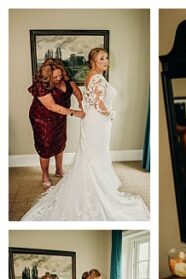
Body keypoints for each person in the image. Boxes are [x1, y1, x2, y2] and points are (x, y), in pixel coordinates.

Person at [21, 48, 149, 221]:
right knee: (47, 146)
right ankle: (50, 175)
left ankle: (62, 171)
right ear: (93, 61)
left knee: (67, 145)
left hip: (77, 118)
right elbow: (94, 103)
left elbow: (79, 92)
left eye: (107, 58)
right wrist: (108, 113)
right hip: (45, 116)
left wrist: (82, 103)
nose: (106, 61)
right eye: (101, 58)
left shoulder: (84, 76)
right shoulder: (92, 78)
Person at [28, 58, 84, 189]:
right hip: (42, 118)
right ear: (48, 76)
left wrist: (81, 102)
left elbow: (75, 90)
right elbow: (52, 106)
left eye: (60, 75)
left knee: (60, 142)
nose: (59, 78)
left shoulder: (64, 77)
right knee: (46, 146)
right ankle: (45, 175)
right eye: (55, 76)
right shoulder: (41, 85)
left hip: (60, 115)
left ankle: (59, 170)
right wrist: (75, 113)